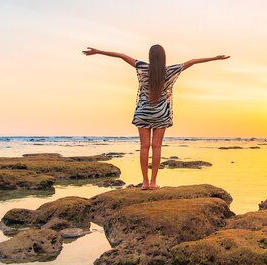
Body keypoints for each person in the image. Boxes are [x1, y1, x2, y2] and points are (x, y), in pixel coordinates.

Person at [83, 45, 230, 190]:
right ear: (164, 57)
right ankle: (153, 182)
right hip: (161, 113)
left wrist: (98, 52)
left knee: (144, 147)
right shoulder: (170, 70)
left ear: (150, 57)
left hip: (143, 112)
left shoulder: (142, 67)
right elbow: (193, 61)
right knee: (157, 147)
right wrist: (215, 58)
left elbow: (121, 55)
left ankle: (145, 183)